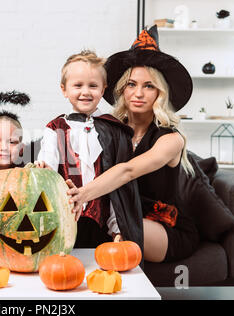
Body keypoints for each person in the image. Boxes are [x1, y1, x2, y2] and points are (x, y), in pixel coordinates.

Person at [67, 26, 200, 263]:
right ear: (121, 89)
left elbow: (127, 172)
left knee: (122, 225)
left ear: (160, 92)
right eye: (131, 84)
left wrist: (81, 196)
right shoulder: (108, 129)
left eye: (149, 86)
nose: (138, 93)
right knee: (91, 221)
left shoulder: (171, 139)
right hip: (118, 214)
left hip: (161, 226)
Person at [35, 50, 143, 251]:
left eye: (93, 86)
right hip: (64, 219)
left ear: (103, 90)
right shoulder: (54, 128)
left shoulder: (116, 131)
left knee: (104, 269)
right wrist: (44, 168)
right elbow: (48, 159)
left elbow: (118, 188)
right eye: (78, 85)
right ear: (64, 90)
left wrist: (117, 228)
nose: (86, 92)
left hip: (102, 223)